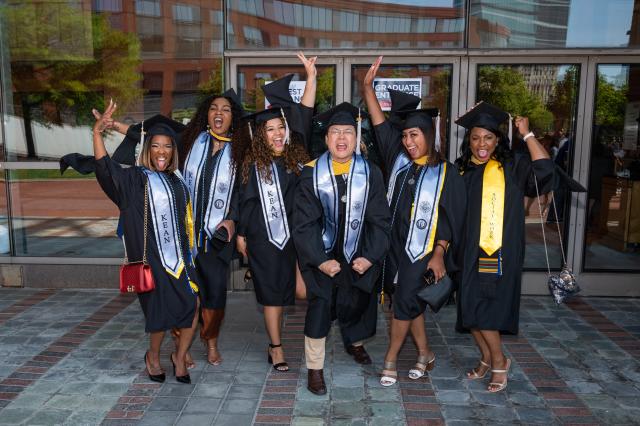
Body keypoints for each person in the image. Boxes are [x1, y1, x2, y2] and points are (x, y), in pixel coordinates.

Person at [362, 56, 466, 387]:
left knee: (402, 305)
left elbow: (453, 218)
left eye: (415, 135)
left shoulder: (447, 172)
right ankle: (425, 354)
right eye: (405, 135)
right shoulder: (398, 160)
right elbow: (379, 123)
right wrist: (367, 87)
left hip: (422, 251)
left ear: (428, 134)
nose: (409, 142)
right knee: (407, 301)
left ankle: (390, 359)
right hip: (394, 247)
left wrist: (439, 252)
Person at [92, 100, 199, 384]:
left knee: (192, 306)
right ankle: (153, 356)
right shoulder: (135, 179)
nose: (162, 152)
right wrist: (97, 134)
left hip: (180, 261)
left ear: (173, 150)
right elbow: (106, 170)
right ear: (147, 149)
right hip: (151, 259)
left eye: (167, 146)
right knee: (159, 315)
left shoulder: (178, 182)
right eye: (155, 146)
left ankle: (179, 357)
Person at [454, 102, 554, 393]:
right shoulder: (463, 170)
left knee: (486, 310)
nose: (481, 144)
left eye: (487, 137)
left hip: (500, 252)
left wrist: (527, 134)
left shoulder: (513, 166)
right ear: (468, 141)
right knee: (470, 310)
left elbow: (545, 170)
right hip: (469, 251)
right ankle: (486, 357)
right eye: (475, 138)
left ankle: (499, 362)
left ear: (498, 140)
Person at [293, 102, 391, 395]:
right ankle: (314, 369)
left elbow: (380, 219)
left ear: (356, 137)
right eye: (335, 132)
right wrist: (320, 261)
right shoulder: (311, 174)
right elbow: (304, 224)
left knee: (358, 301)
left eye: (348, 132)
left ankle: (355, 342)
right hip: (322, 252)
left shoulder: (370, 172)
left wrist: (371, 256)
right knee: (320, 307)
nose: (341, 138)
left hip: (359, 252)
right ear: (326, 139)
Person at [236, 53, 316, 372]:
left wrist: (311, 78)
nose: (277, 134)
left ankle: (286, 335)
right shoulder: (252, 165)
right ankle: (276, 346)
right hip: (264, 237)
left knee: (299, 291)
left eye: (280, 127)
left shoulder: (297, 156)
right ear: (261, 135)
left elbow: (306, 114)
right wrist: (242, 234)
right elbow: (245, 202)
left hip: (296, 238)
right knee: (272, 295)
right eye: (270, 129)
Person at [179, 89, 246, 366]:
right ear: (206, 115)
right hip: (185, 236)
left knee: (215, 295)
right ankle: (180, 347)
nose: (219, 113)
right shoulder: (190, 143)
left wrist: (233, 218)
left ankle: (211, 341)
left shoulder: (241, 151)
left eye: (226, 109)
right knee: (184, 294)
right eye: (214, 108)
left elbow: (244, 193)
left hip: (216, 238)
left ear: (233, 118)